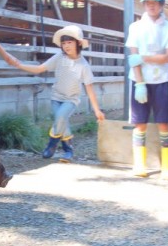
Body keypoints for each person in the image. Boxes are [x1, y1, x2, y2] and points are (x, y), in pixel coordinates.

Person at [11, 25, 105, 162]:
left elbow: (89, 88)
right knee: (62, 122)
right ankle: (68, 151)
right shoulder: (59, 57)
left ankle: (51, 145)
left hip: (71, 100)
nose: (66, 46)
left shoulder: (84, 65)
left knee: (61, 117)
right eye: (64, 43)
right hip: (56, 97)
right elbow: (39, 68)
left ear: (78, 43)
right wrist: (19, 65)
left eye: (69, 42)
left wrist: (97, 110)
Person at [125, 0, 168, 180]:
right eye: (148, 2)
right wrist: (139, 83)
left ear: (162, 4)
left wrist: (144, 57)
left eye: (155, 2)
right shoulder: (136, 27)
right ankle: (139, 164)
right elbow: (133, 59)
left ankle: (167, 166)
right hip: (139, 81)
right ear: (143, 4)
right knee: (140, 124)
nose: (151, 6)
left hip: (161, 80)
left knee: (164, 123)